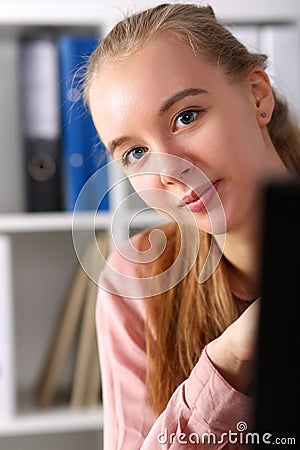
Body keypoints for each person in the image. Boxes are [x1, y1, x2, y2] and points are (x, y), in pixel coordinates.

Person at [82, 3, 300, 448]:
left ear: (257, 96)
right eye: (135, 154)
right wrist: (231, 357)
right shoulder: (137, 282)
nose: (169, 170)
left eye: (186, 117)